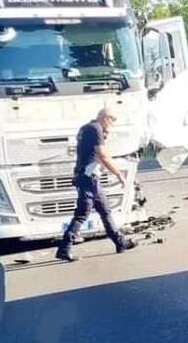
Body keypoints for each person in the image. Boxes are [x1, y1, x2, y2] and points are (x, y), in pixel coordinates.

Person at [56, 107, 136, 261]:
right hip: (87, 177)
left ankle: (120, 242)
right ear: (105, 118)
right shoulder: (96, 129)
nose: (112, 126)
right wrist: (118, 174)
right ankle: (64, 248)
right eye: (112, 121)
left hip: (88, 175)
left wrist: (104, 169)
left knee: (105, 210)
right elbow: (102, 154)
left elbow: (92, 155)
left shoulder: (87, 128)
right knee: (82, 213)